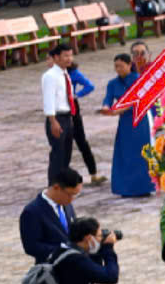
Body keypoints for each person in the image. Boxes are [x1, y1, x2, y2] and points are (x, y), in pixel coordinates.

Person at [103, 48, 156, 198]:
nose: (118, 69)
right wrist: (105, 108)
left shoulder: (139, 79)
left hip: (140, 120)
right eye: (116, 66)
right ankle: (126, 188)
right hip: (125, 123)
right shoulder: (112, 83)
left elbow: (135, 101)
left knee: (141, 153)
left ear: (128, 65)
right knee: (125, 154)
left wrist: (117, 109)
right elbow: (107, 99)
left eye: (120, 66)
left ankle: (144, 187)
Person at [40, 41, 97, 181]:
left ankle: (62, 185)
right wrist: (53, 121)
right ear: (57, 57)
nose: (69, 59)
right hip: (57, 118)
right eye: (65, 56)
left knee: (66, 154)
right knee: (58, 155)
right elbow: (48, 100)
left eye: (71, 56)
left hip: (68, 117)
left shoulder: (65, 74)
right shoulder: (50, 76)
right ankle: (53, 185)